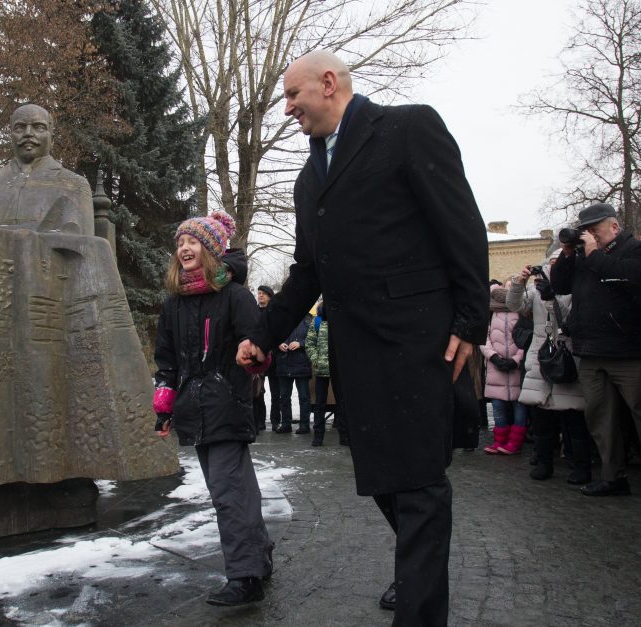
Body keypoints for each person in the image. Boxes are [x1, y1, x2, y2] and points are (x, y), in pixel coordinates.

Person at [237, 50, 489, 625]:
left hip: (418, 342)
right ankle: (419, 564)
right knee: (382, 477)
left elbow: (462, 225)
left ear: (328, 84)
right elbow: (308, 271)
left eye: (292, 94)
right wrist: (264, 335)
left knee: (420, 483)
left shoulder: (407, 127)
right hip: (357, 353)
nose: (287, 108)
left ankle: (420, 605)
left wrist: (470, 323)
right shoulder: (309, 177)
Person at [153, 210, 274, 606]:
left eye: (193, 242)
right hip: (193, 409)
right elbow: (167, 361)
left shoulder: (235, 296)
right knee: (235, 490)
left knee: (228, 492)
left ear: (210, 250)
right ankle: (259, 555)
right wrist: (165, 407)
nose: (184, 248)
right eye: (180, 243)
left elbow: (259, 346)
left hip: (227, 405)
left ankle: (245, 577)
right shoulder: (173, 305)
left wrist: (253, 356)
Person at [550, 202, 641, 496]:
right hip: (590, 351)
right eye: (584, 231)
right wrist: (566, 254)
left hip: (628, 352)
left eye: (594, 229)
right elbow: (559, 286)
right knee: (601, 419)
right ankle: (613, 477)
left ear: (614, 227)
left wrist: (593, 253)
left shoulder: (632, 250)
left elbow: (627, 277)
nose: (589, 235)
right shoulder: (581, 256)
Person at [507, 253, 592, 483]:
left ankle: (581, 465)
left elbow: (569, 320)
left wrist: (553, 297)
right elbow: (513, 305)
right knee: (540, 415)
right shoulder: (536, 291)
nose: (555, 267)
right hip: (539, 356)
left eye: (559, 263)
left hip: (567, 356)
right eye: (552, 263)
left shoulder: (577, 288)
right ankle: (544, 461)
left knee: (574, 416)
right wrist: (519, 283)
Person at [0, 104, 94, 235]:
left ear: (52, 139)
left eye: (39, 127)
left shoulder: (75, 186)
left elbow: (86, 249)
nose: (28, 133)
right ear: (11, 137)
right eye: (19, 128)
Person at [480, 280, 528, 455]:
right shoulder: (490, 314)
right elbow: (483, 339)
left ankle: (515, 442)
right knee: (498, 406)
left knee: (519, 407)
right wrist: (493, 357)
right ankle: (499, 440)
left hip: (516, 368)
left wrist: (516, 360)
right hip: (496, 368)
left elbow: (526, 339)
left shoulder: (521, 312)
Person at [274, 314, 312, 434]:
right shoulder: (281, 318)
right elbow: (272, 336)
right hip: (284, 362)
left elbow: (314, 339)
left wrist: (300, 343)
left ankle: (305, 425)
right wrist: (279, 344)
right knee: (284, 397)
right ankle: (286, 424)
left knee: (304, 397)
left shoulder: (309, 319)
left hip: (302, 363)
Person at [252, 285, 279, 431]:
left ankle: (275, 421)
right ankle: (259, 421)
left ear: (270, 295)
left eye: (263, 293)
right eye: (259, 293)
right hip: (258, 356)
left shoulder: (274, 312)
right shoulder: (253, 311)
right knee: (257, 391)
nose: (260, 296)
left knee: (276, 392)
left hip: (274, 356)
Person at [305, 302, 331, 446]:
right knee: (320, 404)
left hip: (339, 370)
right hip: (321, 369)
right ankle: (318, 436)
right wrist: (316, 360)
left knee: (343, 403)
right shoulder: (317, 320)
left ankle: (345, 434)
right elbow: (310, 343)